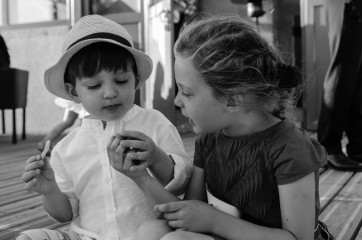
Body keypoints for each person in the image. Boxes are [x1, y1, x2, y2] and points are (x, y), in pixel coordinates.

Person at [127, 15, 335, 240]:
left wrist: (214, 220)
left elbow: (298, 238)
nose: (177, 101)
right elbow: (190, 212)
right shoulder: (209, 141)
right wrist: (141, 176)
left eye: (186, 92)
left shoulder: (291, 148)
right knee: (150, 231)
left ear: (233, 100)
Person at [18, 14, 193, 240]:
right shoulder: (66, 149)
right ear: (73, 92)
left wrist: (156, 157)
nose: (110, 93)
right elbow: (65, 214)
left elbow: (182, 182)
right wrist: (49, 190)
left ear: (136, 81)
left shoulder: (154, 122)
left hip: (149, 235)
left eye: (121, 81)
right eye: (94, 85)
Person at [317, 0, 362, 171]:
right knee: (342, 73)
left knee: (355, 79)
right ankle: (329, 149)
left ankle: (358, 147)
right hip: (346, 3)